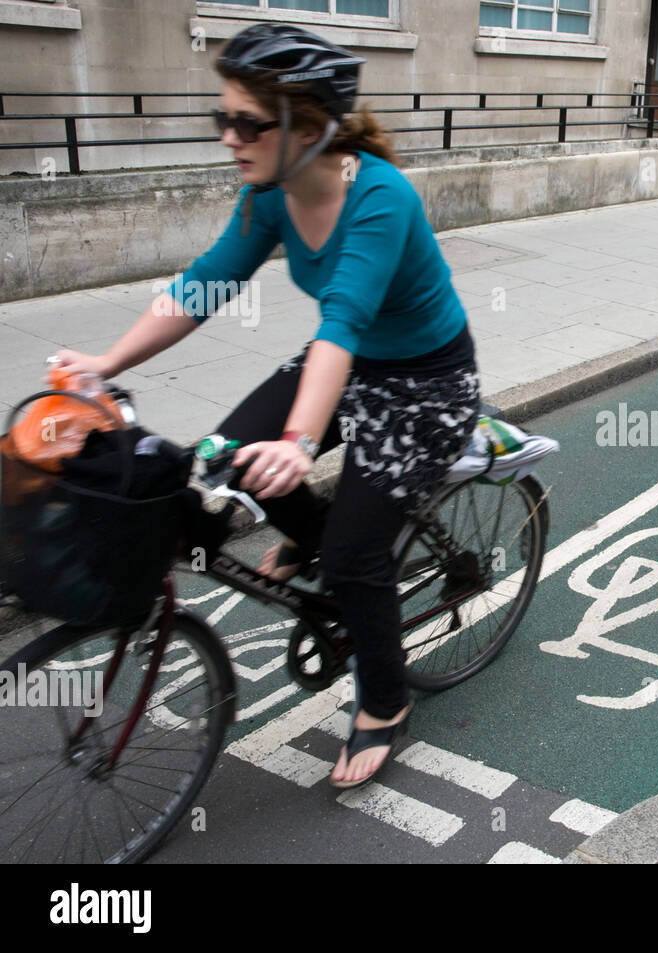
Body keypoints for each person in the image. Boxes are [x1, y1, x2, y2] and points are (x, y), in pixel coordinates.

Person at [53, 24, 480, 789]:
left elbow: (342, 324)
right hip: (344, 365)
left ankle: (384, 702)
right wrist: (105, 362)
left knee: (355, 555)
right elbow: (207, 282)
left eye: (248, 122)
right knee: (224, 467)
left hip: (424, 382)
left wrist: (296, 439)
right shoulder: (269, 195)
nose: (229, 138)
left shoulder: (378, 197)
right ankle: (315, 538)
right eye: (222, 118)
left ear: (308, 126)